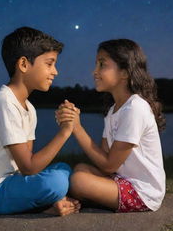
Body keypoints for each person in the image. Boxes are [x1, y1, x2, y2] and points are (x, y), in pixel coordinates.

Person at [0, 27, 80, 216]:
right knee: (56, 181)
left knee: (64, 169)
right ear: (23, 64)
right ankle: (51, 201)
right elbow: (29, 168)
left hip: (13, 181)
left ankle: (51, 201)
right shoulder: (4, 101)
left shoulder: (29, 108)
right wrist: (65, 132)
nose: (55, 72)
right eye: (49, 63)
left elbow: (26, 165)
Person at [56, 39, 166, 213]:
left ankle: (78, 200)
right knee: (80, 169)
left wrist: (77, 128)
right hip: (122, 180)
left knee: (78, 181)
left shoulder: (135, 108)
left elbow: (108, 166)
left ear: (124, 72)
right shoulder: (113, 111)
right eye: (96, 65)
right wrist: (71, 120)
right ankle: (81, 199)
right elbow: (103, 159)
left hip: (143, 192)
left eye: (102, 65)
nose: (94, 72)